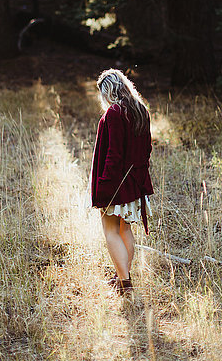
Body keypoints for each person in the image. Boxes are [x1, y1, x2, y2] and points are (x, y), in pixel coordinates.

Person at [91, 69, 154, 295]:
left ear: (107, 90)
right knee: (124, 229)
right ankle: (123, 277)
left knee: (110, 232)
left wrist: (104, 186)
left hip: (116, 184)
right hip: (133, 184)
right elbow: (146, 150)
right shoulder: (140, 110)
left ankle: (125, 283)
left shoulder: (115, 113)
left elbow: (114, 155)